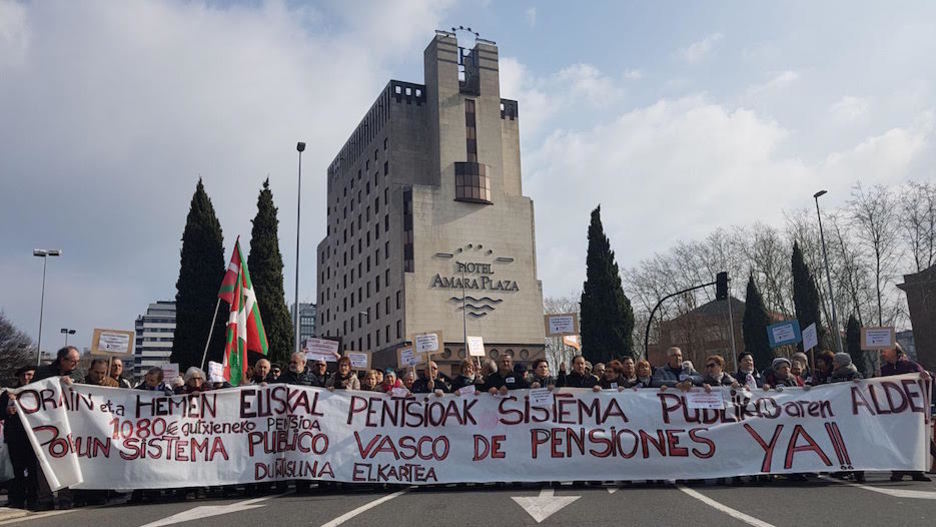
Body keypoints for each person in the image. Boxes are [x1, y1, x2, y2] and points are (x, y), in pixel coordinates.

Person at [880, 343, 932, 482]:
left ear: (895, 351)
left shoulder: (911, 366)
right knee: (896, 441)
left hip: (911, 411)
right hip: (893, 413)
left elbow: (928, 380)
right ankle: (898, 470)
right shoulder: (883, 370)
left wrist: (926, 376)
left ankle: (917, 471)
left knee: (915, 441)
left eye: (885, 350)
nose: (882, 353)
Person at [1, 366, 44, 510]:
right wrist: (6, 410)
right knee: (16, 470)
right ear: (18, 376)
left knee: (33, 470)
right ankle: (17, 499)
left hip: (34, 438)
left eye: (30, 375)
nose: (26, 378)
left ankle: (33, 499)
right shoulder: (8, 394)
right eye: (24, 375)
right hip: (15, 437)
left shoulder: (40, 393)